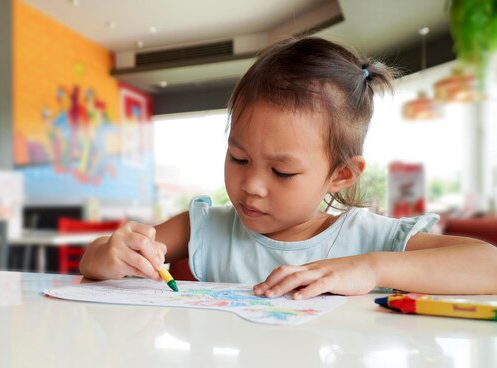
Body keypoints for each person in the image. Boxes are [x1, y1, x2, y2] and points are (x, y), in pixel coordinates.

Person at [80, 36, 497, 299]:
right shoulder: (204, 227)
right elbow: (93, 264)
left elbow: (488, 265)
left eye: (282, 172)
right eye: (238, 158)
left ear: (342, 174)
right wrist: (109, 254)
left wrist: (372, 267)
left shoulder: (371, 239)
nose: (251, 186)